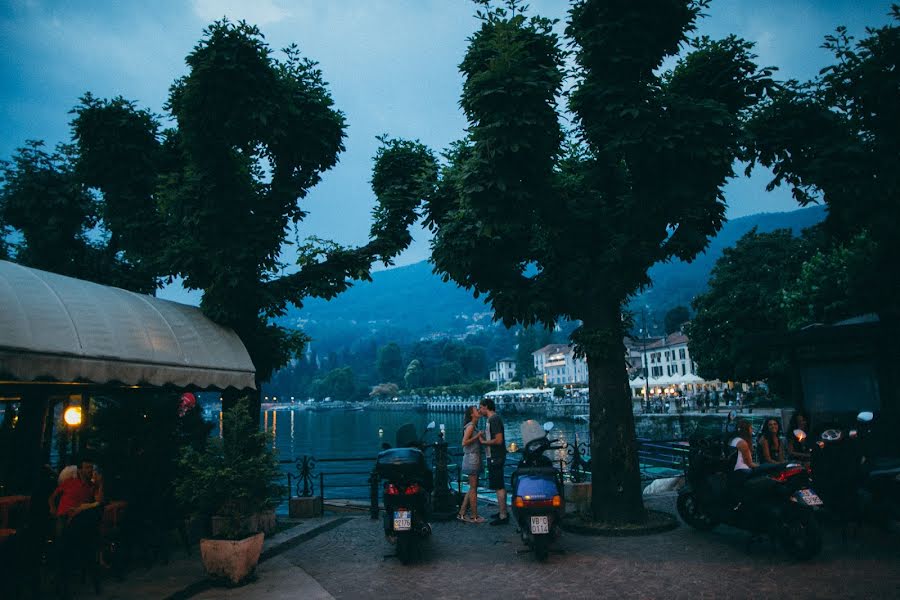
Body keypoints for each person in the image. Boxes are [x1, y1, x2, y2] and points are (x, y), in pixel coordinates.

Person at [479, 398, 508, 525]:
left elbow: (498, 440)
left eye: (480, 407)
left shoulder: (494, 419)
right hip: (494, 456)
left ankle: (503, 515)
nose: (480, 410)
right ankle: (502, 511)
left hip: (496, 456)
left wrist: (483, 442)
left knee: (499, 486)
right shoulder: (491, 420)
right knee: (498, 485)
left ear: (486, 407)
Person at [457, 406, 485, 523]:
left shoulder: (474, 426)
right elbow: (464, 442)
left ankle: (462, 513)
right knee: (473, 489)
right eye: (475, 410)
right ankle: (474, 516)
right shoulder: (471, 426)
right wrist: (477, 436)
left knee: (472, 487)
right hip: (471, 458)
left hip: (473, 458)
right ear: (472, 414)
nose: (478, 410)